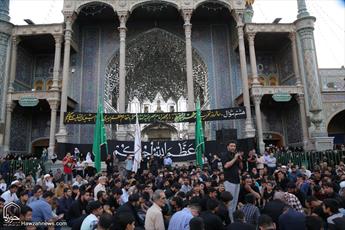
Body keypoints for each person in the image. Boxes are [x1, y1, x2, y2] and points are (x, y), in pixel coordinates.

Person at [221, 141, 242, 222]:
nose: (233, 147)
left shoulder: (235, 156)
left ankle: (233, 220)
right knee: (230, 202)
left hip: (237, 180)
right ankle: (230, 221)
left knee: (235, 202)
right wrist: (235, 158)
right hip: (229, 181)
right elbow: (226, 166)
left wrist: (240, 160)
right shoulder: (224, 155)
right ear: (228, 147)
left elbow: (241, 167)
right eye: (231, 146)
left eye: (234, 146)